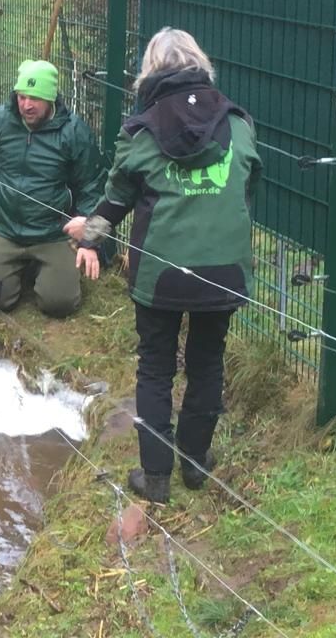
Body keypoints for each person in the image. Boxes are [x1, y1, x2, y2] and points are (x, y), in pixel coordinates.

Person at [64, 27, 262, 504]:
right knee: (207, 359)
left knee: (155, 366)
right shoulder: (238, 122)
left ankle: (156, 478)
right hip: (226, 269)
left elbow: (116, 202)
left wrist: (88, 235)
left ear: (149, 73)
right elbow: (249, 186)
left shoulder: (140, 130)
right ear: (201, 64)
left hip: (162, 273)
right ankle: (195, 466)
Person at [0, 59, 104, 318]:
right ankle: (17, 267)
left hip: (53, 233)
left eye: (35, 98)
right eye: (22, 97)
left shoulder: (73, 131)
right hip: (7, 229)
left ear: (51, 99)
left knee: (60, 304)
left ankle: (46, 270)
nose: (27, 105)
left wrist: (90, 240)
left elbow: (93, 185)